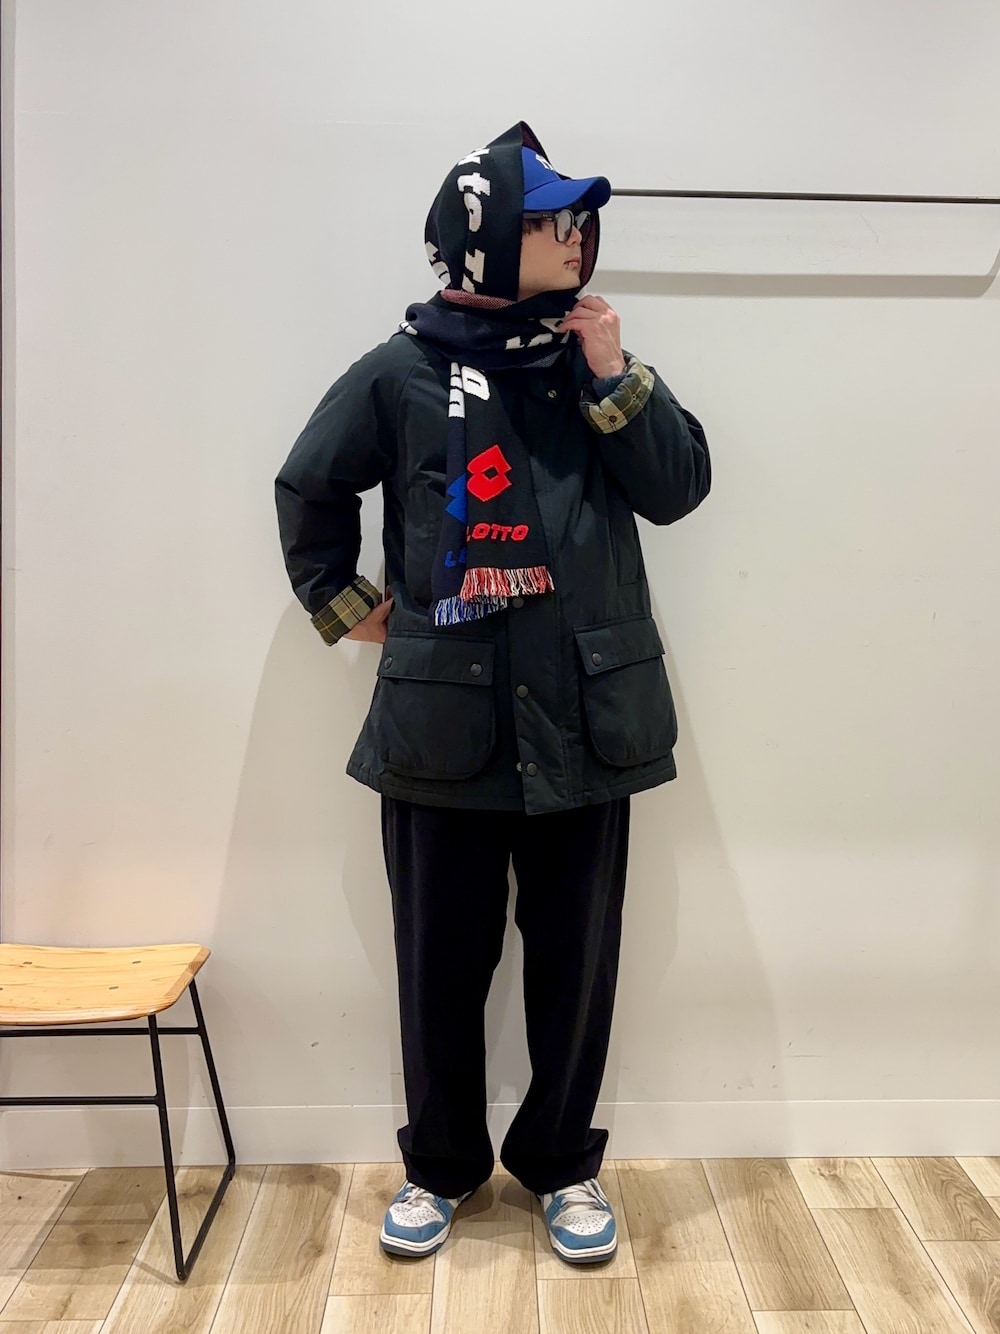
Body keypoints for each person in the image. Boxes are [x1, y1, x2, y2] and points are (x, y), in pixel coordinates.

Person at [275, 121, 710, 1266]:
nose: (575, 236)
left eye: (577, 219)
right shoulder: (399, 373)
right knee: (439, 966)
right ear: (481, 238)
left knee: (576, 967)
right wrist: (347, 604)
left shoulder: (589, 362)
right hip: (443, 721)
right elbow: (309, 486)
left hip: (585, 718)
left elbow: (677, 488)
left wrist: (613, 375)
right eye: (548, 219)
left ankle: (562, 1161)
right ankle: (438, 1164)